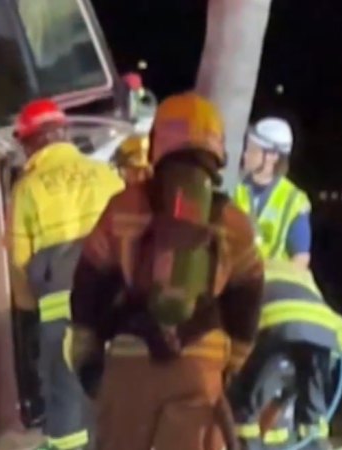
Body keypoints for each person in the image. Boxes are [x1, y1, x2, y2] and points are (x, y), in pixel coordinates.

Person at [65, 92, 265, 450]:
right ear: (218, 148)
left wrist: (88, 360)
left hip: (129, 363)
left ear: (158, 142)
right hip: (201, 370)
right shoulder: (234, 222)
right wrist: (230, 367)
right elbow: (247, 304)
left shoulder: (123, 207)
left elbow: (89, 287)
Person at [8, 98, 125, 450]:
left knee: (65, 405)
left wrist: (28, 309)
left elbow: (18, 261)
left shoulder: (28, 188)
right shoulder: (106, 175)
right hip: (112, 310)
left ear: (33, 141)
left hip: (60, 316)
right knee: (114, 397)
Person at [229, 260, 342, 450]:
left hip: (274, 324)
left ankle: (248, 444)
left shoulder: (247, 270)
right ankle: (315, 444)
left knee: (246, 410)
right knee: (313, 414)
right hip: (324, 332)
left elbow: (239, 334)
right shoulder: (297, 275)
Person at [233, 117, 311, 268]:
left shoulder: (294, 201)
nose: (245, 154)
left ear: (272, 156)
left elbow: (300, 259)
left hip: (274, 280)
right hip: (237, 278)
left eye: (252, 149)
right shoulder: (234, 189)